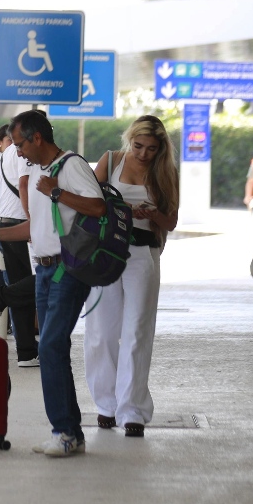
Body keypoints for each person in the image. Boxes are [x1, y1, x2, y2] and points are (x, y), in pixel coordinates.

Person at [0, 110, 106, 458]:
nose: (17, 152)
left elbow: (98, 208)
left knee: (48, 347)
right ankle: (69, 432)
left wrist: (59, 193)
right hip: (44, 270)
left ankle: (65, 431)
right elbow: (33, 228)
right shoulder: (35, 173)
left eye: (20, 144)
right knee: (53, 351)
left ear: (37, 138)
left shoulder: (71, 166)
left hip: (68, 269)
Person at [84, 115, 179, 439]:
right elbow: (89, 204)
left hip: (144, 253)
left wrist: (153, 214)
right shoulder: (111, 161)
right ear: (130, 140)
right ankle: (106, 405)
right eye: (138, 146)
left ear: (160, 148)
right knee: (101, 332)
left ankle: (133, 410)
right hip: (108, 252)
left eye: (151, 148)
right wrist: (120, 207)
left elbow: (171, 223)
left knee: (138, 331)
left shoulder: (166, 172)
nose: (143, 154)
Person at [0, 124, 39, 366]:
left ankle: (26, 352)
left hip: (4, 224)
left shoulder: (5, 156)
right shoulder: (25, 153)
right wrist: (33, 222)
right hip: (21, 225)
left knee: (24, 285)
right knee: (46, 277)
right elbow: (24, 186)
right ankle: (2, 295)